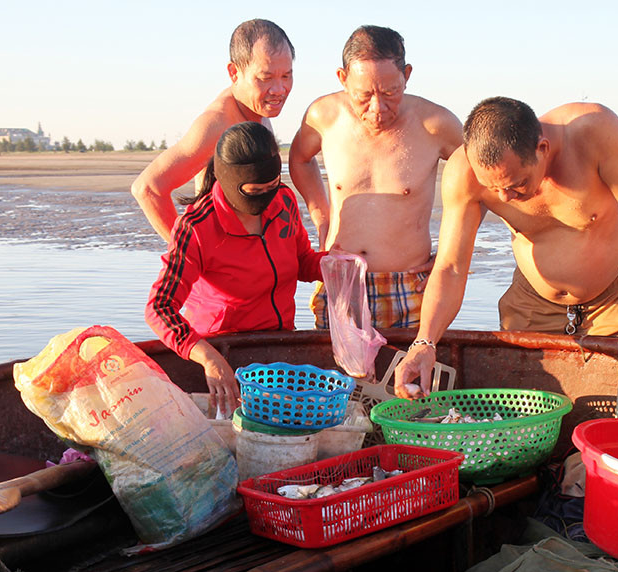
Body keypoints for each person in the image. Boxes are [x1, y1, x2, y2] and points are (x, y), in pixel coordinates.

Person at [393, 97, 618, 397]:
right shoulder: (462, 172)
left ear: (542, 149)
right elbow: (451, 266)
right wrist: (424, 343)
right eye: (494, 188)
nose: (504, 198)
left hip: (617, 300)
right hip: (531, 305)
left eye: (517, 184)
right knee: (521, 406)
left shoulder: (593, 132)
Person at [145, 122, 324, 416]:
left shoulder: (284, 202)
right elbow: (158, 308)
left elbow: (302, 261)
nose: (267, 198)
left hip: (277, 343)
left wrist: (332, 265)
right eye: (256, 191)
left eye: (272, 186)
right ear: (229, 181)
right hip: (223, 349)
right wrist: (208, 357)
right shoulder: (197, 228)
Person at [289, 25, 462, 329]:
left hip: (410, 282)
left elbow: (483, 183)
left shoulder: (437, 124)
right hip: (341, 276)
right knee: (339, 376)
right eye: (364, 95)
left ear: (406, 75)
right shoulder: (323, 116)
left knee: (408, 373)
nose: (377, 107)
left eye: (390, 92)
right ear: (343, 79)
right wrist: (322, 218)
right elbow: (300, 159)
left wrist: (450, 256)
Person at [133, 19, 294, 243]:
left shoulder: (257, 111)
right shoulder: (216, 125)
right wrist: (190, 253)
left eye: (286, 76)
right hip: (224, 267)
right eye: (265, 78)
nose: (279, 89)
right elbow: (147, 188)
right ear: (234, 73)